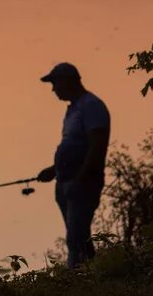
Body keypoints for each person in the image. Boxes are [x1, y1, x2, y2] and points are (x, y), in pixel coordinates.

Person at [34, 62, 111, 268]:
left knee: (76, 237)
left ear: (68, 81)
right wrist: (53, 170)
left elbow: (97, 146)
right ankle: (92, 277)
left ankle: (76, 279)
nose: (53, 89)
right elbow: (74, 145)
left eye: (55, 83)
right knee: (79, 236)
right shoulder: (73, 109)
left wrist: (81, 179)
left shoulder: (91, 106)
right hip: (67, 181)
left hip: (83, 183)